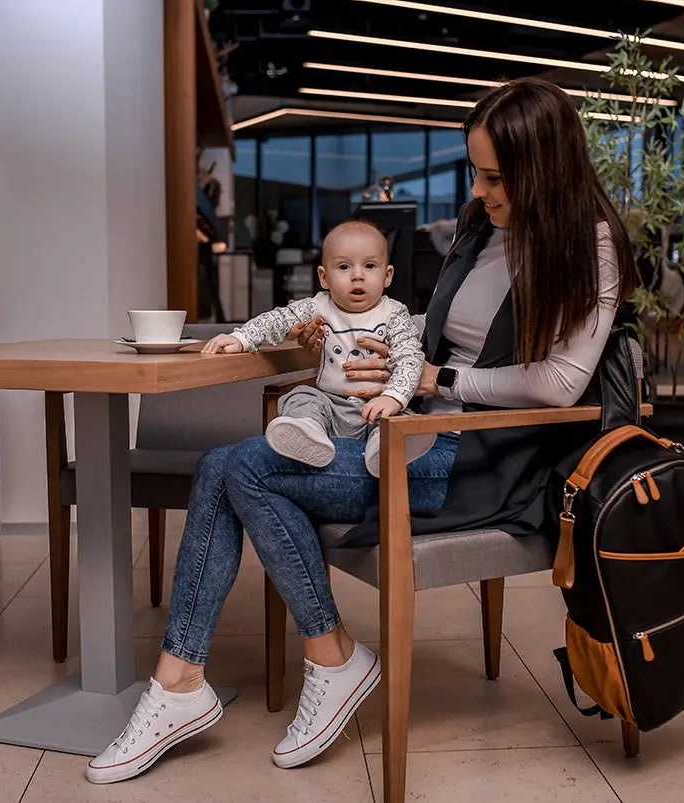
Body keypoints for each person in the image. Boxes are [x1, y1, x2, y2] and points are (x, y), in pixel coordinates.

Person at [85, 76, 636, 786]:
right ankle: (257, 667)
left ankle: (244, 673)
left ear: (543, 169)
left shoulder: (589, 245)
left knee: (233, 469)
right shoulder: (484, 227)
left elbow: (560, 383)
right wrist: (346, 332)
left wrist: (440, 381)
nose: (479, 190)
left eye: (496, 177)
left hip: (484, 456)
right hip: (406, 428)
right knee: (231, 468)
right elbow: (421, 328)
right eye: (475, 171)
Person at [200, 219, 435, 478]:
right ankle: (308, 433)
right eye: (344, 267)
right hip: (330, 403)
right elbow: (278, 320)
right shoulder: (317, 306)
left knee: (397, 416)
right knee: (301, 396)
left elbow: (409, 357)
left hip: (376, 404)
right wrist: (242, 337)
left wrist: (393, 397)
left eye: (369, 266)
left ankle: (385, 448)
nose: (358, 275)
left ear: (387, 275)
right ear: (324, 277)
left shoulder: (394, 313)